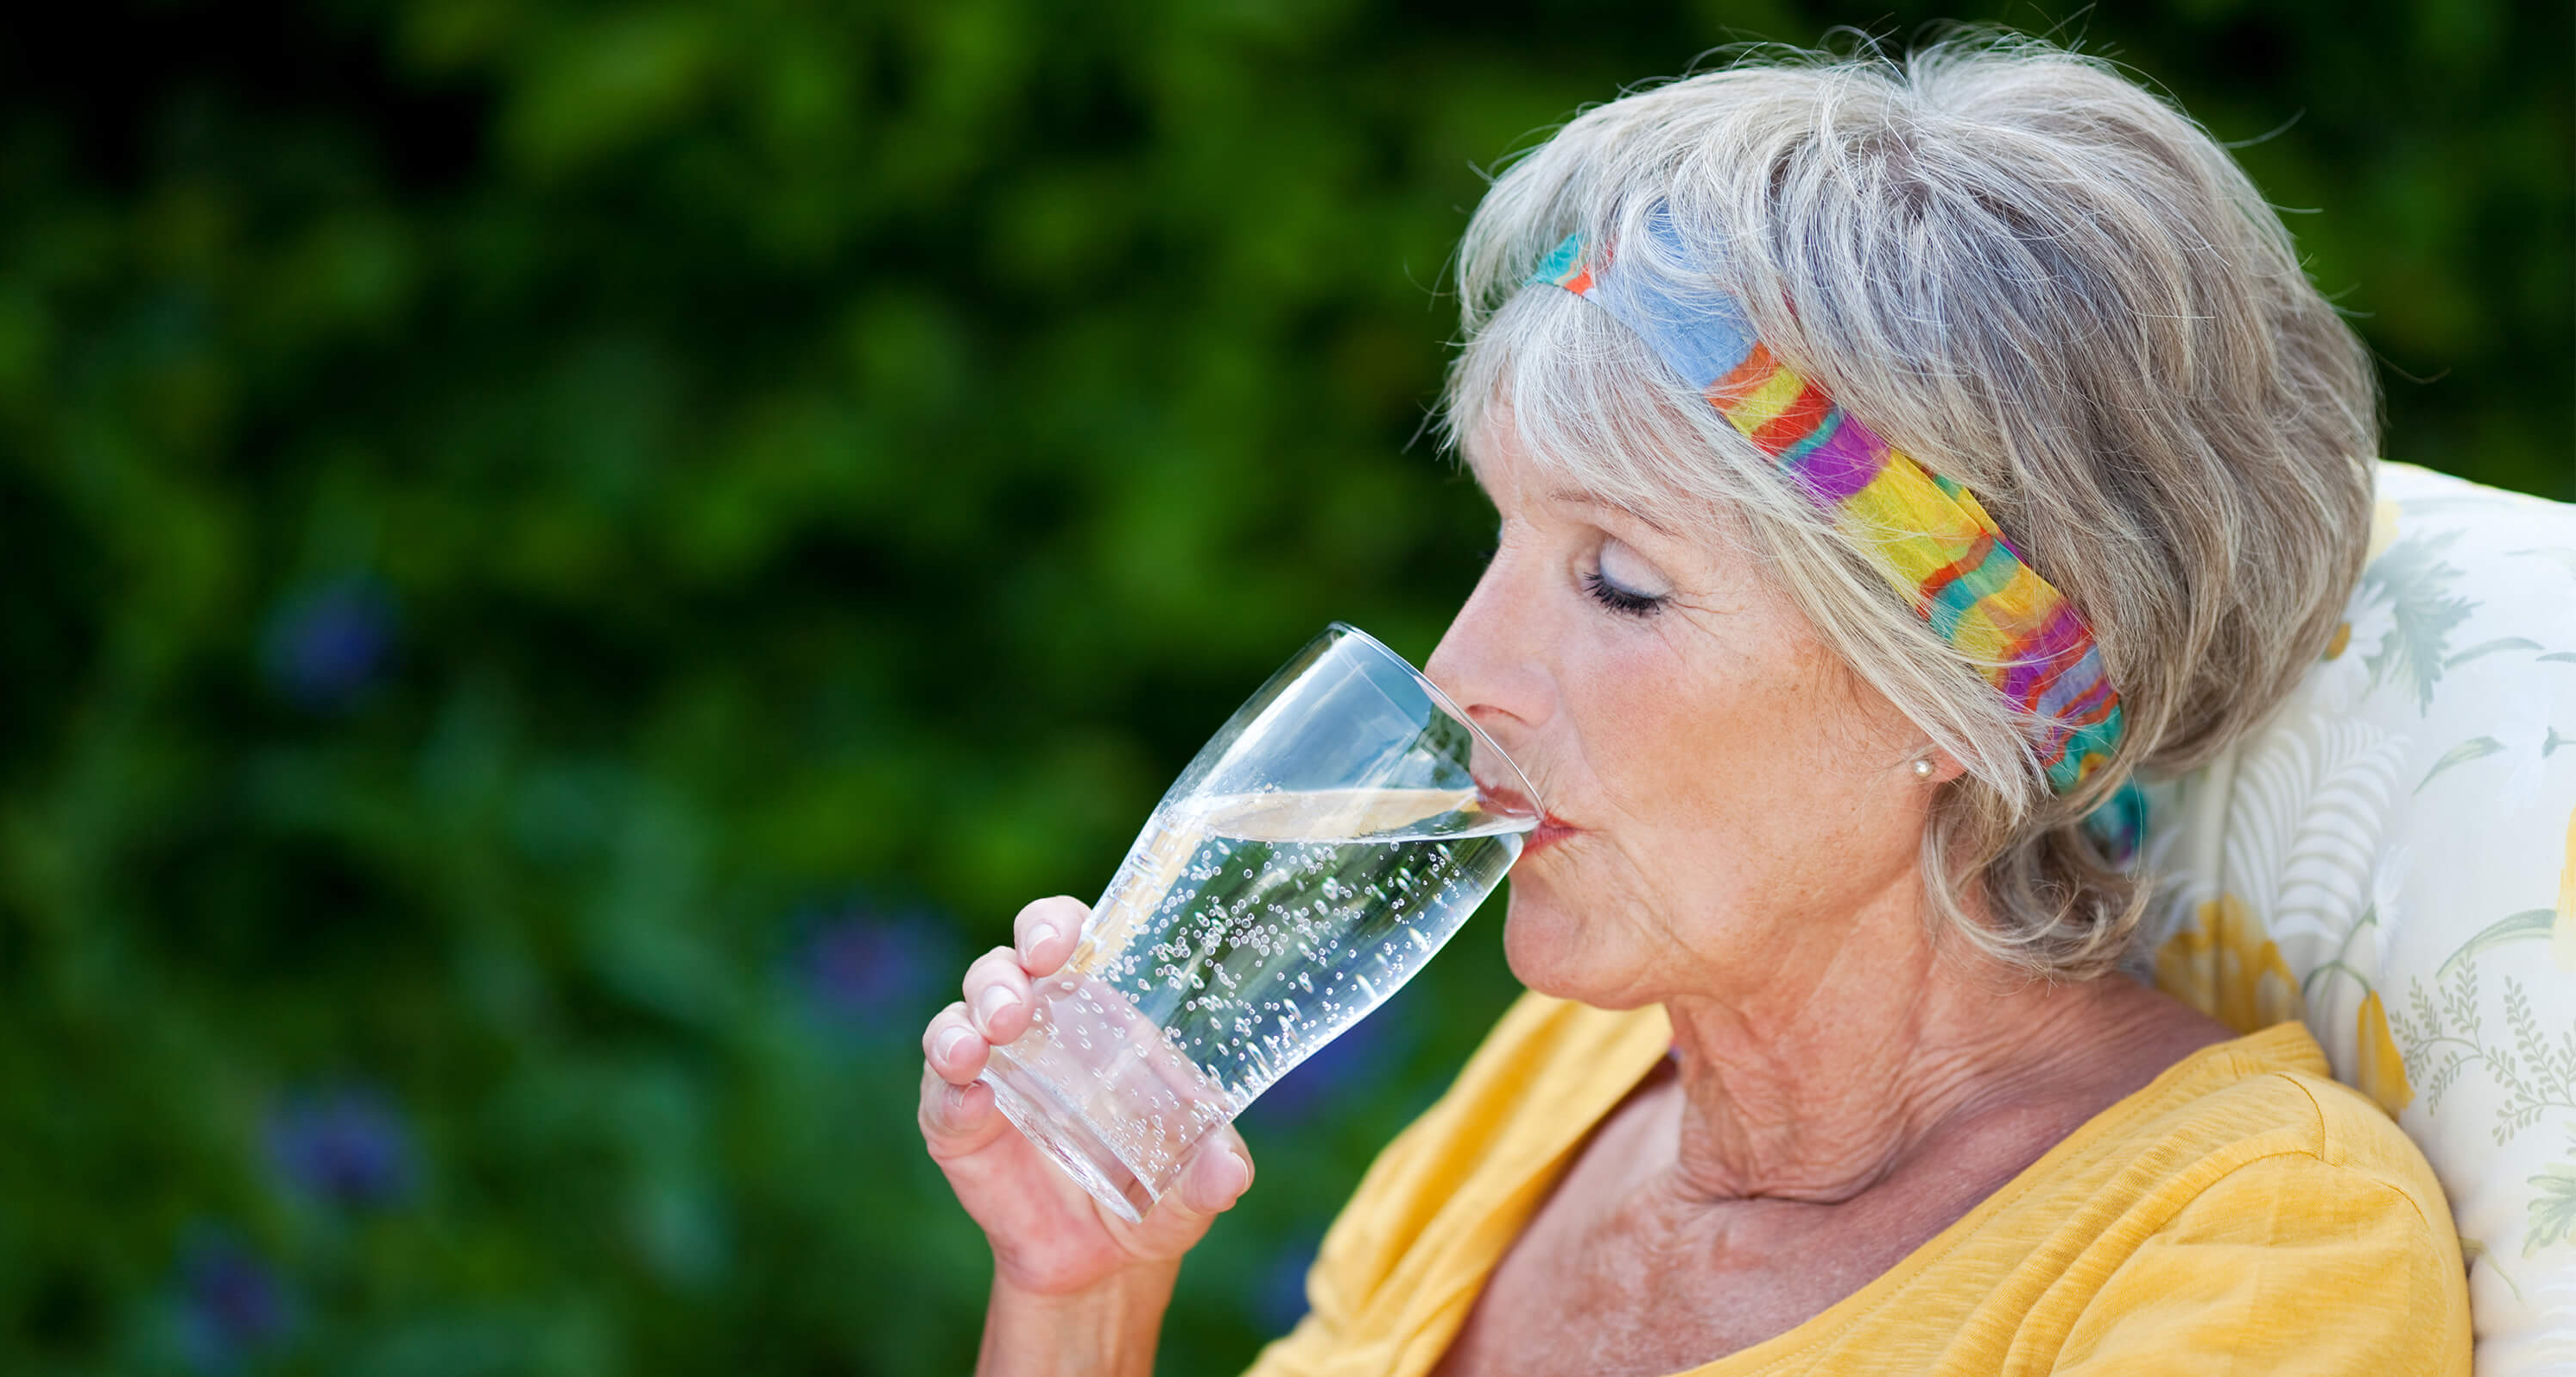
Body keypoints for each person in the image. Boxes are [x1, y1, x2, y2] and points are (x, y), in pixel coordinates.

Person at [917, 35, 2472, 1376]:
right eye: (1506, 536)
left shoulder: (2254, 1244)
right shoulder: (1562, 1085)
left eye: (1620, 583)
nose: (1464, 675)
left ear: (1962, 688)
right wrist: (1083, 1288)